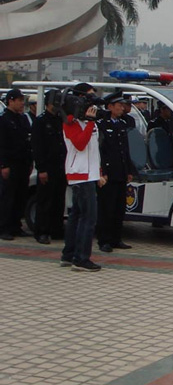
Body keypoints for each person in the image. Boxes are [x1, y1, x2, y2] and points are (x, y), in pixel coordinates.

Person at [61, 83, 105, 272]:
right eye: (87, 98)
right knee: (88, 218)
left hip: (89, 173)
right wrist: (89, 122)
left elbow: (93, 150)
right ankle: (81, 258)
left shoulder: (88, 121)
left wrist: (99, 172)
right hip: (80, 175)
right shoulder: (70, 122)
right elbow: (79, 144)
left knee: (77, 216)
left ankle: (69, 254)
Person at [96, 92, 136, 253]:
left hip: (120, 172)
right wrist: (103, 171)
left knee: (119, 208)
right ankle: (104, 240)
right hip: (108, 174)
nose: (121, 108)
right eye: (118, 105)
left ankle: (116, 238)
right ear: (110, 106)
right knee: (107, 208)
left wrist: (128, 170)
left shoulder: (121, 124)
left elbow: (124, 150)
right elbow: (101, 151)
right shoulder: (102, 125)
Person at [31, 89, 67, 244]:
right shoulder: (40, 121)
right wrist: (42, 169)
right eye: (54, 103)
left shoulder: (60, 120)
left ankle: (56, 229)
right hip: (48, 167)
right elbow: (37, 147)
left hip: (60, 167)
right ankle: (42, 231)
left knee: (59, 200)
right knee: (45, 201)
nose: (56, 106)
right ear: (48, 104)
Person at [0, 89, 33, 240]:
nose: (21, 104)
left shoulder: (22, 119)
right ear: (11, 101)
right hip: (10, 164)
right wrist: (3, 165)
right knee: (8, 197)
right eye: (19, 100)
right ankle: (4, 227)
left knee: (20, 196)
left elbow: (28, 141)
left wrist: (30, 161)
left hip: (23, 163)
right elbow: (2, 145)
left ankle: (16, 226)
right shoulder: (4, 119)